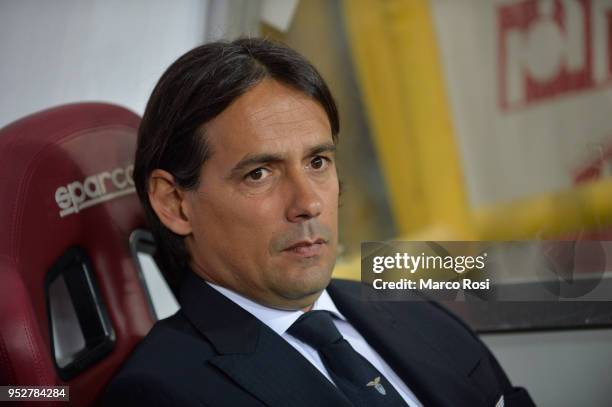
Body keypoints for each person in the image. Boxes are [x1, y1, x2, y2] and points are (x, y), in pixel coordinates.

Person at [104, 38, 535, 407]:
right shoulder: (162, 393)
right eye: (260, 173)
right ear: (175, 203)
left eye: (317, 162)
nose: (308, 202)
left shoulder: (416, 313)